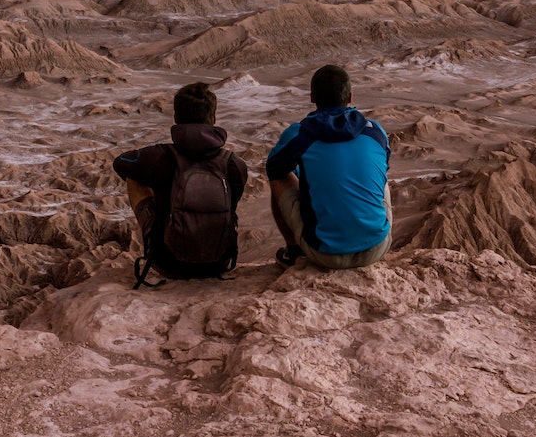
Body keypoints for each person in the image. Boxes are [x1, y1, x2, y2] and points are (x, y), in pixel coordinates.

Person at [112, 81, 248, 286]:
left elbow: (121, 163)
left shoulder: (160, 157)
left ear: (176, 119)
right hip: (219, 263)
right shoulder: (234, 164)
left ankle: (160, 237)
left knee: (135, 177)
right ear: (213, 119)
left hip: (168, 263)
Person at [266, 64, 392, 270]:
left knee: (279, 175)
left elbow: (274, 169)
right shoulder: (375, 132)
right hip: (377, 248)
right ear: (350, 97)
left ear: (312, 97)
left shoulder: (300, 135)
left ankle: (293, 251)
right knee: (382, 180)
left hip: (324, 254)